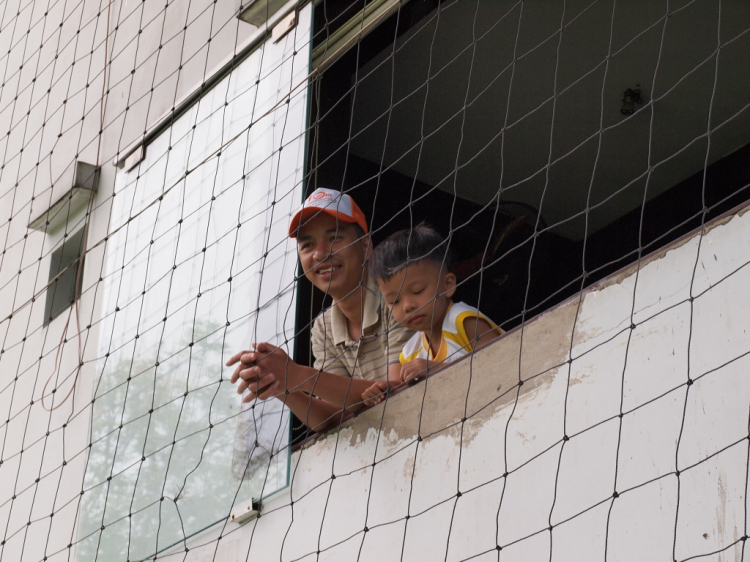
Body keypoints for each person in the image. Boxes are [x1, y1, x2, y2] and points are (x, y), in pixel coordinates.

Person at [226, 188, 414, 430]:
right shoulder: (323, 328)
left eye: (334, 238)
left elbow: (397, 389)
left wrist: (295, 374)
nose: (320, 253)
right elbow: (332, 417)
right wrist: (278, 385)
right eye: (307, 245)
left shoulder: (397, 296)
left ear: (366, 246)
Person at [362, 224, 503, 405]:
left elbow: (501, 364)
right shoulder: (410, 352)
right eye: (394, 301)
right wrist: (384, 392)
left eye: (418, 291)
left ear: (448, 284)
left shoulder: (464, 321)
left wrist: (438, 369)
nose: (407, 306)